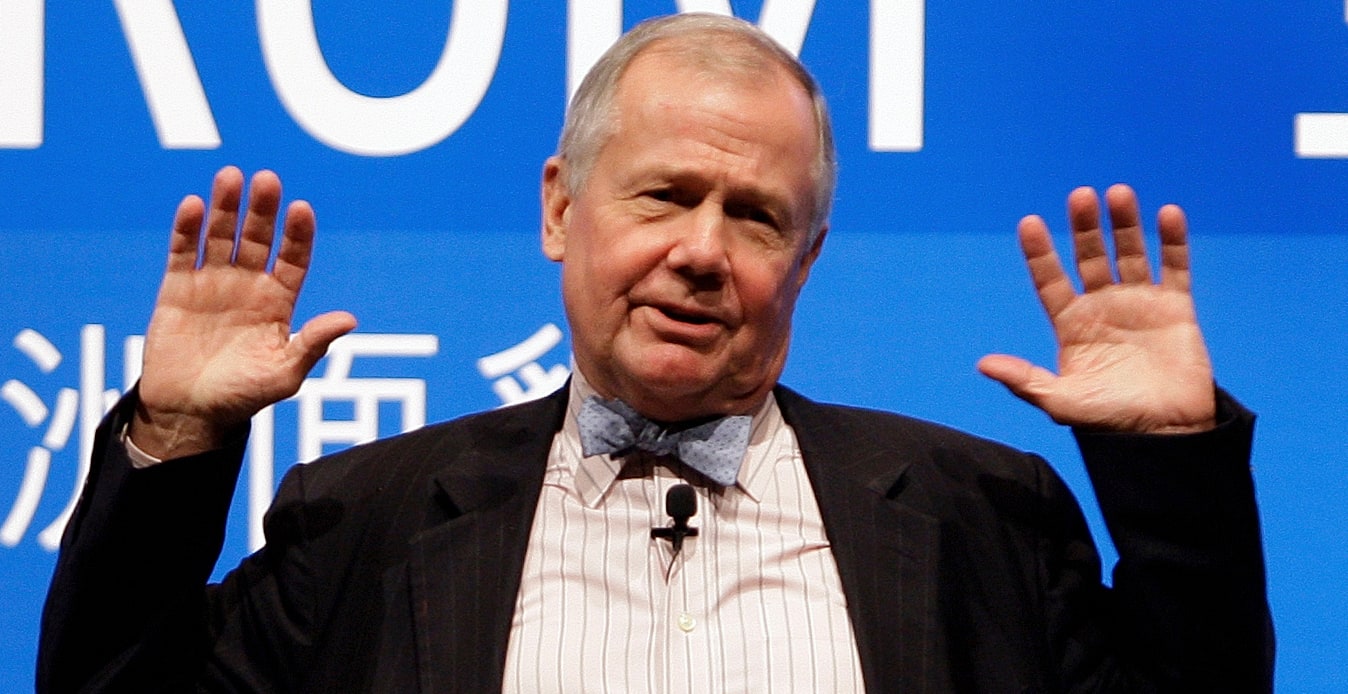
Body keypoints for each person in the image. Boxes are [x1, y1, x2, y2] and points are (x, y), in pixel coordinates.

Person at [37, 13, 1272, 694]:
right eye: (664, 195)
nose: (701, 252)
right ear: (560, 208)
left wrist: (1172, 463)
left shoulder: (979, 518)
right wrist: (177, 435)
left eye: (756, 217)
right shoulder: (365, 519)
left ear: (807, 258)